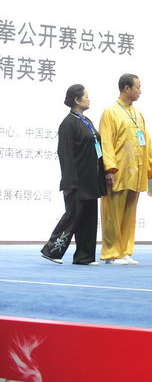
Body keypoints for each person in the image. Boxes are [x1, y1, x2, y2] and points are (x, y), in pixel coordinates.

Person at [99, 74, 152, 265]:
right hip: (118, 171)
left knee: (129, 213)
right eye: (137, 87)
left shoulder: (137, 114)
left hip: (136, 171)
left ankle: (124, 251)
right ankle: (112, 253)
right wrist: (109, 169)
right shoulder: (110, 112)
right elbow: (106, 142)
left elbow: (147, 141)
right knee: (113, 214)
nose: (140, 91)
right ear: (126, 88)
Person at [41, 85, 107, 265]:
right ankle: (52, 251)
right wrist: (69, 181)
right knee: (73, 216)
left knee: (89, 218)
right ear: (77, 100)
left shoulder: (87, 121)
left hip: (91, 179)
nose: (89, 99)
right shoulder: (68, 123)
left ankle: (84, 257)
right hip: (77, 180)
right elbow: (65, 154)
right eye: (86, 96)